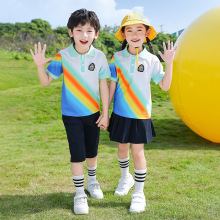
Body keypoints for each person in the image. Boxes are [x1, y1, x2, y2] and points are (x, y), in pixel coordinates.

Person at [30, 9, 110, 215]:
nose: (84, 35)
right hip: (71, 115)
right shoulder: (62, 56)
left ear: (96, 34)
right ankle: (79, 194)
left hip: (93, 113)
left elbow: (104, 86)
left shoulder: (100, 57)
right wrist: (40, 66)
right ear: (70, 32)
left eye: (89, 30)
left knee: (92, 152)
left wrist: (105, 113)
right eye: (79, 30)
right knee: (77, 155)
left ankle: (92, 182)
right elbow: (45, 81)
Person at [108, 12, 177, 213]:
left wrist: (169, 62)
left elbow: (164, 86)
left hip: (140, 114)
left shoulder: (152, 59)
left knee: (137, 152)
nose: (134, 33)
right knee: (121, 148)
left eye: (139, 29)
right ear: (124, 35)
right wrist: (106, 112)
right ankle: (125, 178)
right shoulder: (117, 58)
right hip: (120, 113)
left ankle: (139, 193)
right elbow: (112, 85)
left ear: (147, 33)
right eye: (129, 30)